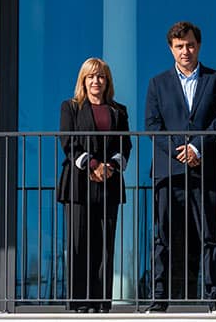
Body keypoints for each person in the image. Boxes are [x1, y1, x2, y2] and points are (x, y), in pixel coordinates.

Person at [143, 21, 216, 313]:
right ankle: (159, 299)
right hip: (169, 173)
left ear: (199, 46)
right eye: (180, 46)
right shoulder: (157, 83)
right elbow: (152, 126)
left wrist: (197, 147)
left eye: (190, 45)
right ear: (171, 49)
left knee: (211, 236)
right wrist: (180, 152)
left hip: (206, 171)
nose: (186, 51)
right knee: (164, 239)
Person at [56, 57, 132, 314]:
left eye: (100, 76)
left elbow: (126, 145)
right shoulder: (71, 107)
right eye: (91, 76)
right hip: (78, 185)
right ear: (83, 80)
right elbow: (68, 141)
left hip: (109, 185)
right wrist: (92, 164)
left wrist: (110, 165)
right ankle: (80, 302)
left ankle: (101, 303)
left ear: (107, 80)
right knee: (79, 243)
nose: (96, 81)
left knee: (105, 245)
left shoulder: (118, 110)